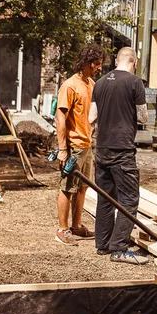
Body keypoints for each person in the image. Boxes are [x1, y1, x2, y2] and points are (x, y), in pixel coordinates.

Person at [89, 47, 149, 265]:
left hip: (102, 148)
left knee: (105, 197)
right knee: (129, 199)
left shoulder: (100, 83)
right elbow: (143, 118)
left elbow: (91, 117)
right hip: (122, 150)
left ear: (116, 61)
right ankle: (119, 248)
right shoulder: (135, 83)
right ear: (134, 62)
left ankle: (102, 244)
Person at [54, 44, 105, 246]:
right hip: (73, 146)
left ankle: (76, 226)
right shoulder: (70, 85)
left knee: (82, 187)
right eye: (97, 64)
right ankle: (62, 229)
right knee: (67, 187)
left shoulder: (91, 84)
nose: (99, 67)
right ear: (86, 63)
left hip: (86, 144)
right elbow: (60, 119)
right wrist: (62, 149)